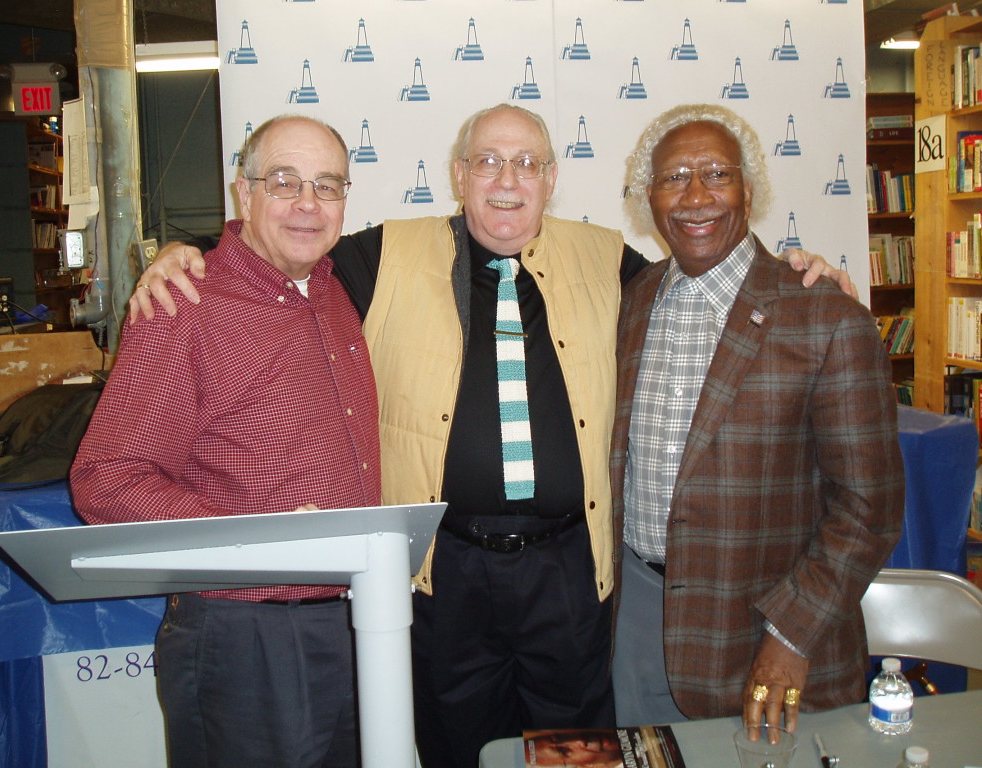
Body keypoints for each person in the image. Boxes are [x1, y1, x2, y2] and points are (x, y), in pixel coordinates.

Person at [130, 104, 847, 767]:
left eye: (527, 164)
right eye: (488, 162)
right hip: (446, 573)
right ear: (459, 175)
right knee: (456, 746)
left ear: (552, 180)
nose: (508, 181)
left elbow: (704, 278)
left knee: (579, 750)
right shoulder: (382, 255)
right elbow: (280, 249)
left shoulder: (606, 258)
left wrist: (795, 274)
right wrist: (185, 251)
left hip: (570, 569)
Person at [70, 115, 380, 768]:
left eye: (327, 185)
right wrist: (262, 534)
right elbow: (107, 478)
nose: (307, 203)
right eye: (285, 181)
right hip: (246, 633)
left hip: (351, 618)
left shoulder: (331, 290)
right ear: (244, 192)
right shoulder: (184, 302)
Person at [610, 104, 904, 740]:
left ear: (750, 189)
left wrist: (792, 631)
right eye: (673, 177)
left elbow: (870, 507)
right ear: (648, 197)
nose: (695, 196)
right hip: (636, 621)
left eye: (717, 173)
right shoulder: (632, 301)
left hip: (765, 632)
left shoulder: (826, 318)